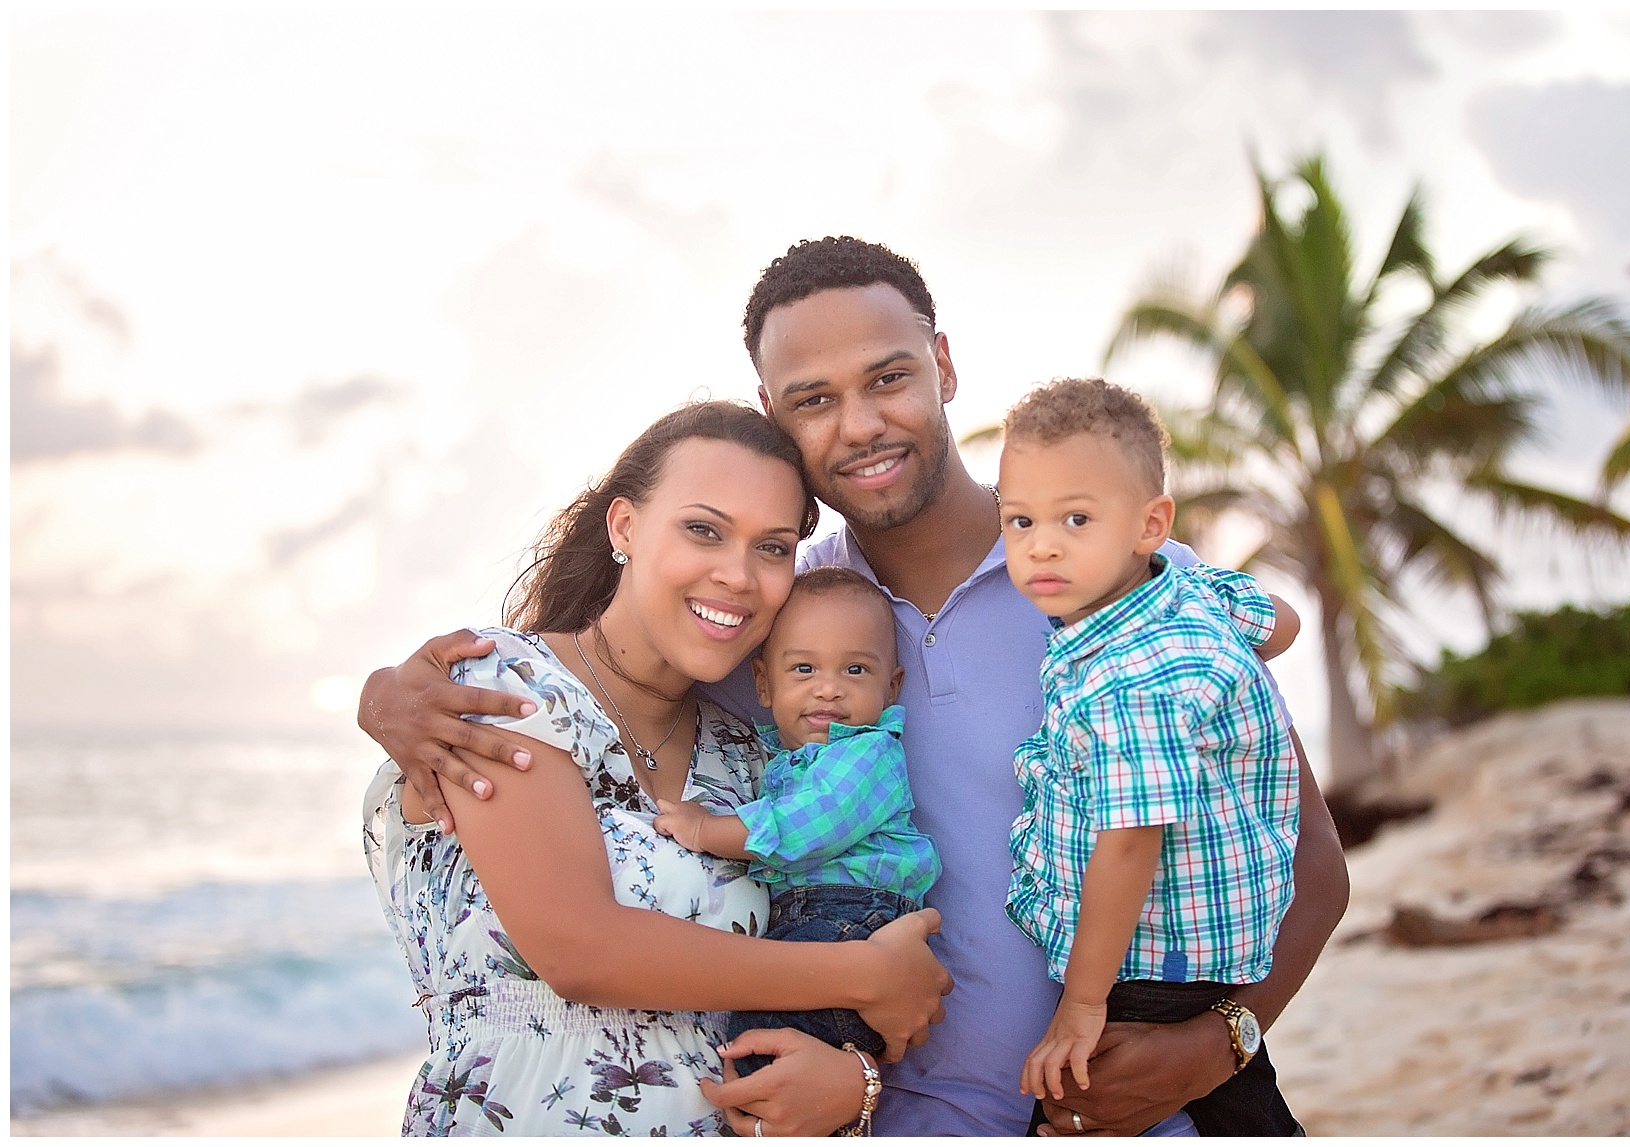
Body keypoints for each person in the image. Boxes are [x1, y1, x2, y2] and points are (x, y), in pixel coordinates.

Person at [360, 237, 1350, 1136]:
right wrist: (395, 698)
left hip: (1139, 1117)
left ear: (945, 368)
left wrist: (1217, 1041)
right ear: (776, 420)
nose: (861, 423)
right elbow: (604, 706)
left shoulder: (1119, 586)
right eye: (814, 398)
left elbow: (1307, 857)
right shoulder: (779, 621)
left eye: (889, 378)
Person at [362, 401, 951, 1136]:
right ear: (625, 527)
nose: (737, 574)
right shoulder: (506, 688)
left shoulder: (756, 755)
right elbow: (577, 947)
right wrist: (862, 973)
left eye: (771, 547)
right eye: (703, 529)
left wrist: (853, 1081)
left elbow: (776, 993)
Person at [1000, 378, 1302, 1135]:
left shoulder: (1133, 678)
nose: (1041, 543)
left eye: (1075, 518)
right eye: (1019, 520)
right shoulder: (1188, 587)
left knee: (1079, 1102)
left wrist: (1081, 1000)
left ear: (1149, 525)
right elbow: (1284, 623)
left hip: (1150, 957)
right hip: (1211, 937)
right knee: (1239, 1104)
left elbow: (1132, 838)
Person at [653, 565, 941, 1098]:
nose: (828, 689)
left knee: (759, 1050)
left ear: (891, 685)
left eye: (855, 671)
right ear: (763, 683)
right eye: (803, 669)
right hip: (816, 923)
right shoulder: (780, 758)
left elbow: (809, 826)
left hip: (855, 920)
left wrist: (705, 830)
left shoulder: (869, 753)